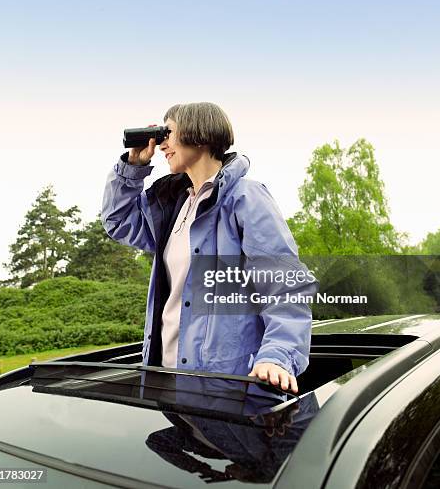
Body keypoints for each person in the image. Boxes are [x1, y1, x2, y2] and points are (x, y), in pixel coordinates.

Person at [101, 102, 317, 393]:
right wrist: (133, 167)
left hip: (226, 388)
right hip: (166, 381)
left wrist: (277, 357)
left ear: (199, 135)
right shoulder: (174, 206)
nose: (162, 143)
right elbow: (118, 221)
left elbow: (284, 285)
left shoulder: (245, 198)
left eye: (169, 133)